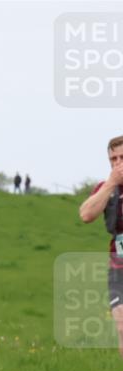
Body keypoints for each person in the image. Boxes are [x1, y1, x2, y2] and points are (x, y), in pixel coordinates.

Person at [79, 135, 123, 359]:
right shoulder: (106, 188)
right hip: (119, 267)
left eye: (122, 158)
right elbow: (86, 214)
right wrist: (111, 183)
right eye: (113, 159)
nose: (118, 163)